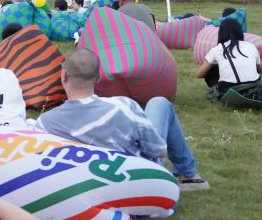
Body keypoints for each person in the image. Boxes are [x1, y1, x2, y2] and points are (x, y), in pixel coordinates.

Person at [38, 49, 209, 190]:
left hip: (82, 185)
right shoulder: (124, 106)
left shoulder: (45, 123)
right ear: (98, 78)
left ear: (64, 76)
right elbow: (158, 150)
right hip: (136, 182)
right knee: (159, 103)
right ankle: (188, 175)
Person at [196, 18, 262, 95]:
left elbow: (199, 74)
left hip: (228, 89)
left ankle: (217, 91)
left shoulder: (217, 49)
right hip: (254, 86)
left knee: (211, 69)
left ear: (221, 33)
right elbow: (260, 69)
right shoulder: (251, 46)